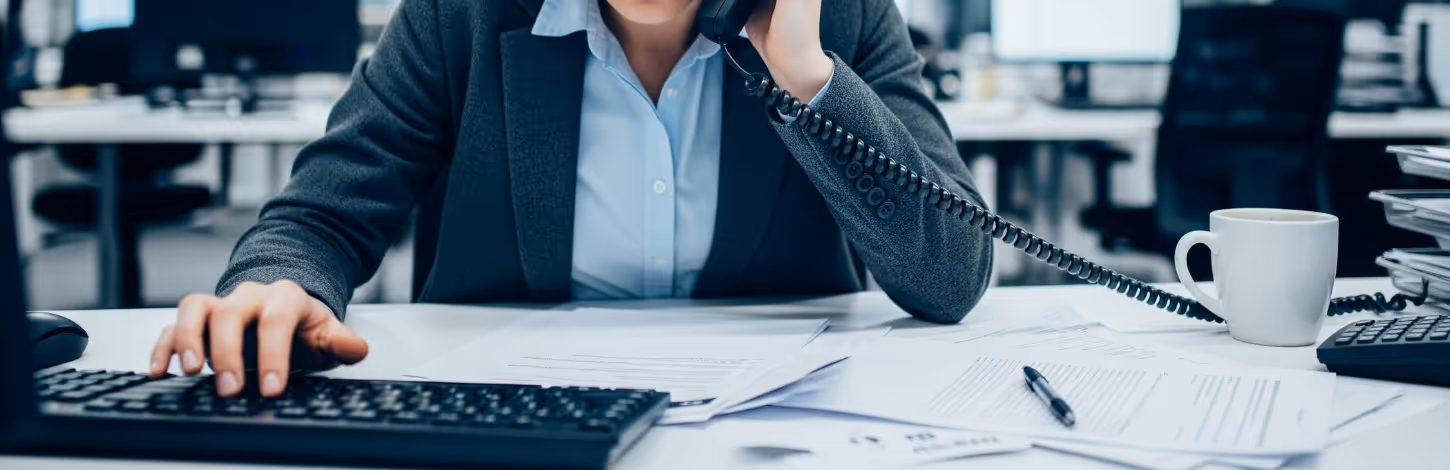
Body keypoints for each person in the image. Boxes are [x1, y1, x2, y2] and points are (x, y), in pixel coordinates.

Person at [148, 0, 994, 397]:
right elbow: (320, 215)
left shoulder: (836, 17)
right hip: (510, 424)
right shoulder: (461, 14)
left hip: (776, 437)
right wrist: (279, 283)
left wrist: (807, 78)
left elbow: (952, 276)